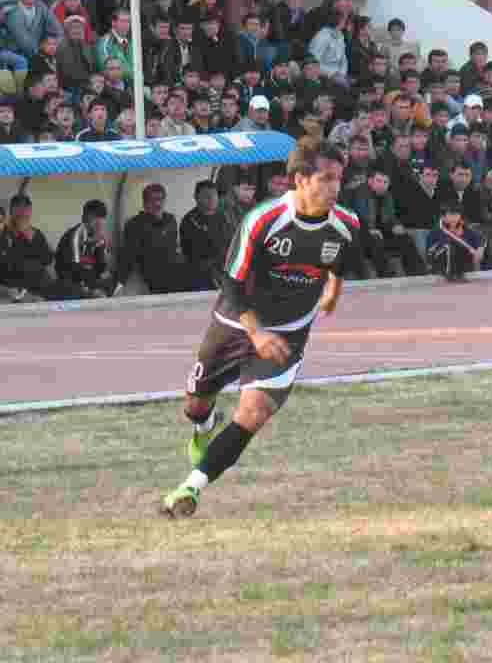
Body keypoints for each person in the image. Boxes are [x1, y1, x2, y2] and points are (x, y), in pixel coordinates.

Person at [161, 137, 358, 518]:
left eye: (339, 179)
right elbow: (232, 288)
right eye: (327, 178)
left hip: (289, 334)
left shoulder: (346, 225)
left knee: (253, 413)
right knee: (195, 404)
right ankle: (203, 426)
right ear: (300, 179)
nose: (336, 187)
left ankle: (190, 489)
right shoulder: (263, 221)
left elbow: (339, 262)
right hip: (235, 325)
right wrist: (257, 333)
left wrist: (332, 290)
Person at [55, 199, 117, 299]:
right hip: (69, 280)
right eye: (94, 218)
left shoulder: (98, 236)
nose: (98, 222)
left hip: (86, 279)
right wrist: (92, 287)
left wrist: (102, 248)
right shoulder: (75, 235)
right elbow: (74, 268)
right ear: (84, 218)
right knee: (81, 289)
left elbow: (101, 267)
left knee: (111, 284)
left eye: (100, 218)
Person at [426, 200, 483, 282]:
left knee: (474, 247)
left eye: (456, 215)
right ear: (443, 216)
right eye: (450, 215)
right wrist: (456, 237)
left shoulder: (464, 228)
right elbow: (430, 253)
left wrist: (479, 249)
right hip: (439, 262)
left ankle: (460, 273)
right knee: (449, 245)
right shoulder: (437, 231)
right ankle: (449, 274)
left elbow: (481, 238)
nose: (454, 218)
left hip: (460, 263)